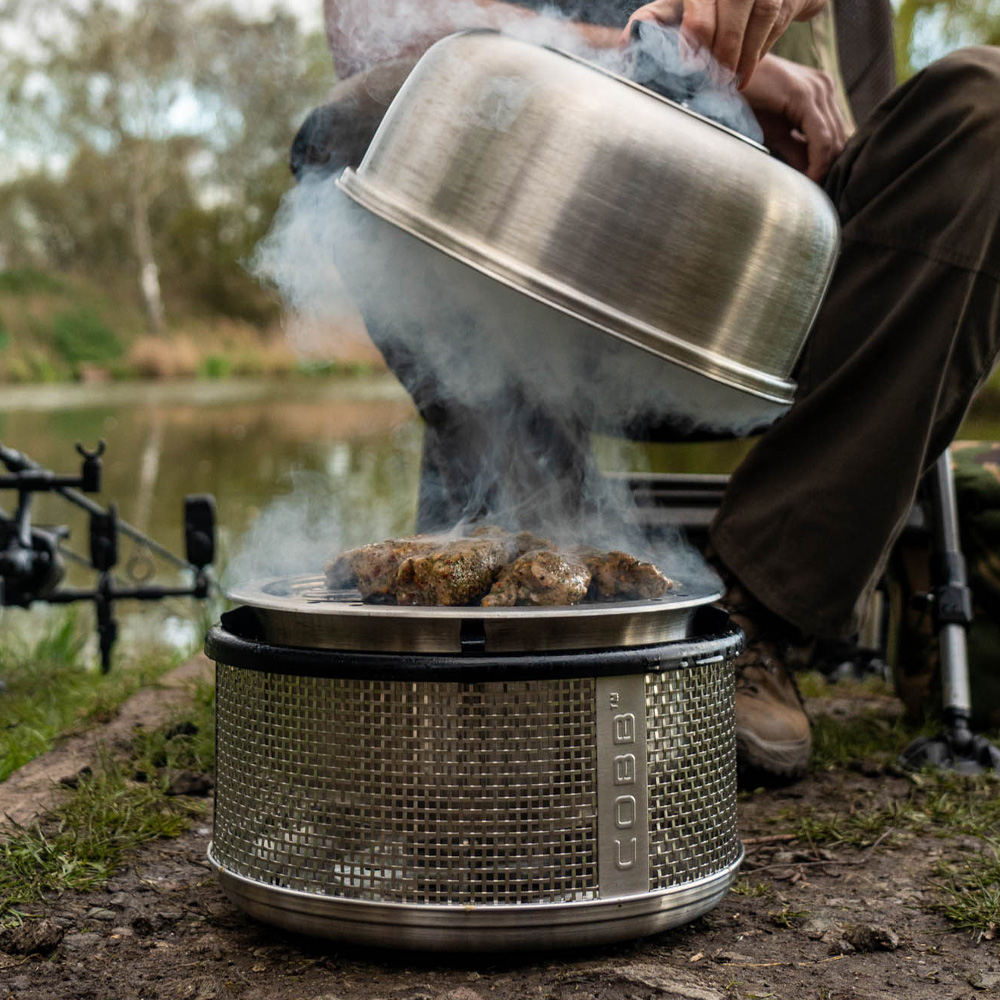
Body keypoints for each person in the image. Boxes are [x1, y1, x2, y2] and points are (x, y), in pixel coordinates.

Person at [294, 0, 1000, 783]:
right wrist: (657, 56)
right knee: (366, 113)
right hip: (541, 255)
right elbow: (370, 21)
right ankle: (526, 582)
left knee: (986, 104)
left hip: (787, 297)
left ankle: (748, 625)